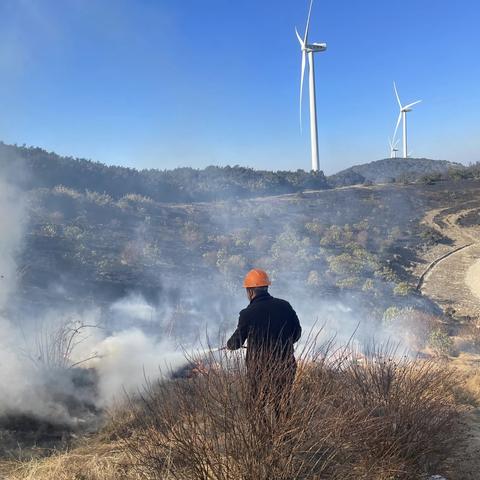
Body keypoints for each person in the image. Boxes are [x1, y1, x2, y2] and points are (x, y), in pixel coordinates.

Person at [226, 268, 302, 414]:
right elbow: (297, 333)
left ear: (250, 291)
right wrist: (282, 344)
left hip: (259, 369)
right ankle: (284, 436)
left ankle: (264, 434)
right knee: (282, 404)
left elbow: (236, 342)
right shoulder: (285, 306)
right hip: (286, 365)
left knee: (257, 406)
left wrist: (229, 345)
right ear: (266, 287)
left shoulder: (247, 313)